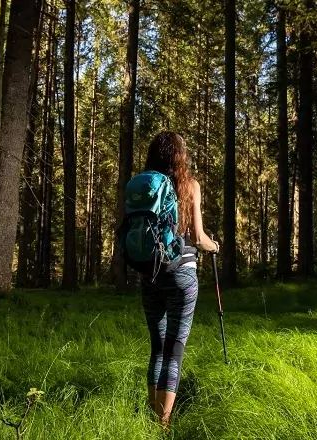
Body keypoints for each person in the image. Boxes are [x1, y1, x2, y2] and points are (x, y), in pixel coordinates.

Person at [139, 131, 219, 427]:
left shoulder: (144, 186)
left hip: (149, 274)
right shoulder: (189, 186)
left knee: (157, 347)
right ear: (181, 156)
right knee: (175, 349)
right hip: (182, 274)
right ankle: (163, 425)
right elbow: (198, 238)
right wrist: (214, 245)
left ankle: (150, 419)